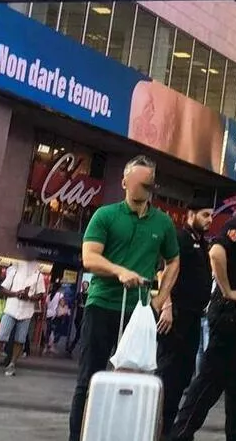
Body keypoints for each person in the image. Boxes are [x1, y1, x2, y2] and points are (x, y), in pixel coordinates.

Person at [69, 155, 181, 441]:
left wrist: (161, 299)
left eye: (150, 182)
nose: (147, 187)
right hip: (102, 304)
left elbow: (173, 261)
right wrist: (119, 271)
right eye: (141, 181)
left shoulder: (163, 222)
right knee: (89, 379)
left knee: (133, 378)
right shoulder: (105, 215)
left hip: (139, 313)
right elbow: (89, 257)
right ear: (125, 182)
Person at [170, 182, 236, 441]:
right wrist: (227, 291)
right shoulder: (235, 226)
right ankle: (178, 436)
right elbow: (217, 253)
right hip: (230, 319)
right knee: (207, 385)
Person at [157, 203, 215, 437]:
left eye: (211, 215)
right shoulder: (180, 237)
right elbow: (164, 271)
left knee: (182, 377)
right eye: (205, 215)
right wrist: (166, 306)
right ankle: (158, 429)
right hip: (175, 316)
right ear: (191, 215)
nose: (210, 219)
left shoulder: (201, 242)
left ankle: (170, 430)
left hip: (193, 318)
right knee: (168, 376)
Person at [0, 247, 46, 377]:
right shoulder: (14, 270)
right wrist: (16, 294)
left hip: (26, 312)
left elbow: (40, 294)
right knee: (1, 336)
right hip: (11, 309)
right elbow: (3, 289)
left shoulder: (39, 275)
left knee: (20, 339)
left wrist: (28, 297)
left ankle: (12, 364)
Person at [45, 282, 69, 355]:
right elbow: (62, 304)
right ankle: (52, 347)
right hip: (56, 315)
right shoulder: (60, 295)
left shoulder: (49, 295)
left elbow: (46, 305)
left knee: (48, 331)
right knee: (55, 331)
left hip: (48, 314)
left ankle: (46, 347)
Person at [67, 279, 88, 356]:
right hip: (78, 315)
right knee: (79, 332)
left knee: (79, 333)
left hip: (84, 315)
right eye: (84, 284)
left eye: (86, 285)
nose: (84, 286)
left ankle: (72, 347)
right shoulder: (79, 294)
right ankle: (75, 347)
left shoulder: (88, 295)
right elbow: (74, 302)